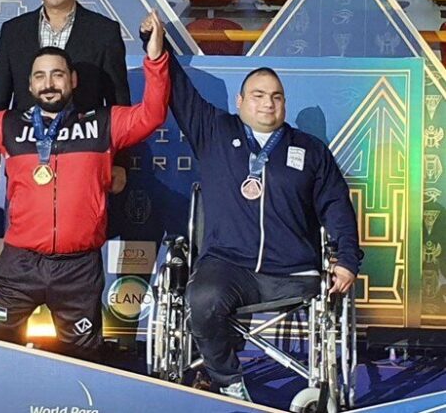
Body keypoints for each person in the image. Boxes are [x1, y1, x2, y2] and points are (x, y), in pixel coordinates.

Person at [0, 10, 170, 362]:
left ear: (73, 80)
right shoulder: (10, 125)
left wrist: (155, 57)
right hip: (20, 265)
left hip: (78, 269)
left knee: (82, 366)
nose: (49, 83)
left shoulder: (104, 124)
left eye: (57, 74)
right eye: (40, 76)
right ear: (29, 86)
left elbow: (152, 114)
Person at [143, 21, 363, 401]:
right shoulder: (213, 131)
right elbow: (180, 91)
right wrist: (156, 43)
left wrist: (346, 260)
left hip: (293, 270)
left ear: (284, 103)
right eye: (258, 95)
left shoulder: (309, 150)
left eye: (276, 96)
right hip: (228, 265)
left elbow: (336, 205)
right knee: (203, 298)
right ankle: (228, 382)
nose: (268, 103)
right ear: (240, 101)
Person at [0, 0, 130, 195]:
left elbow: (119, 102)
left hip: (84, 158)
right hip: (25, 155)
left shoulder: (104, 32)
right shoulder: (13, 31)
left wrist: (120, 162)